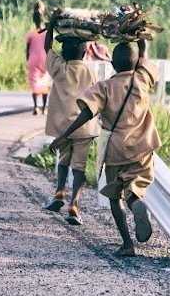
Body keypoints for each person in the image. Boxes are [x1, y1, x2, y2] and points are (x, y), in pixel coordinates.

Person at [50, 38, 160, 256]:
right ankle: (136, 202)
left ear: (112, 63)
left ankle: (128, 245)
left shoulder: (105, 87)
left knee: (114, 196)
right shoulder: (142, 79)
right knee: (135, 186)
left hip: (116, 149)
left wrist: (63, 136)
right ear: (136, 62)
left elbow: (86, 114)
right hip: (142, 146)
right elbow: (145, 57)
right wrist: (140, 40)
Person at [42, 24, 99, 225]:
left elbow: (47, 47)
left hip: (62, 127)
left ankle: (59, 192)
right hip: (84, 127)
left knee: (63, 160)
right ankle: (74, 203)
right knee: (79, 167)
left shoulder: (59, 68)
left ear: (63, 51)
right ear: (84, 51)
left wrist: (51, 25)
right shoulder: (90, 71)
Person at [25, 2, 52, 115]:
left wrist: (27, 59)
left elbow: (27, 49)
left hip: (33, 60)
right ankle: (44, 108)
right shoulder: (46, 33)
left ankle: (36, 106)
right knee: (45, 82)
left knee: (34, 82)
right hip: (45, 59)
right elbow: (49, 46)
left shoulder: (30, 34)